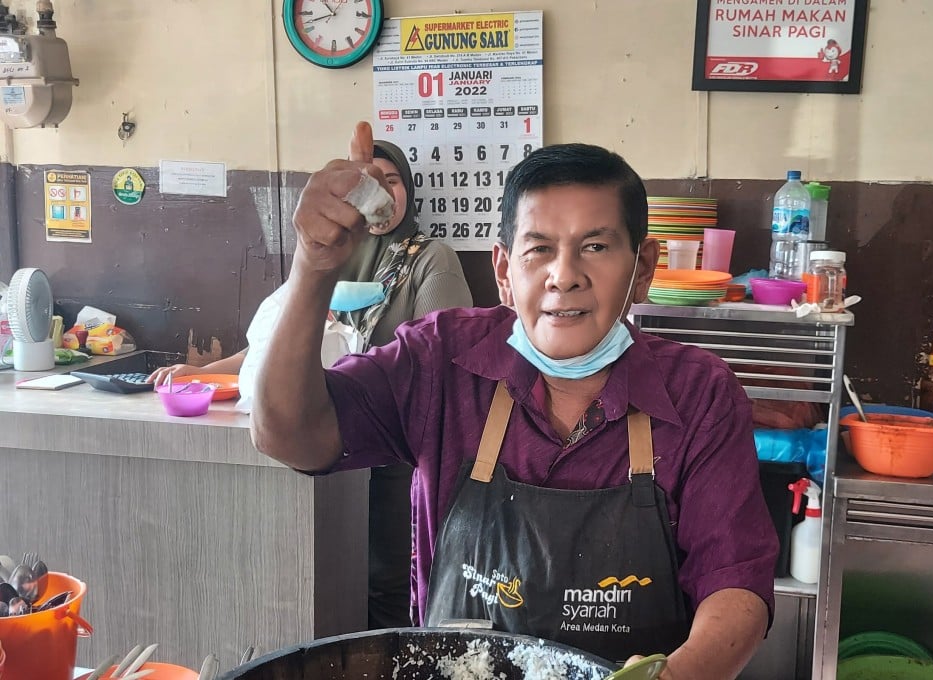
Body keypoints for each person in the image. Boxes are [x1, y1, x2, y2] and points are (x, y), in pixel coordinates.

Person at [252, 121, 778, 678]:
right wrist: (313, 267)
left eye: (595, 247)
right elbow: (290, 435)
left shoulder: (699, 393)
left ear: (642, 268)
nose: (564, 276)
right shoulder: (441, 360)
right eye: (540, 250)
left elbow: (736, 587)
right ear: (503, 271)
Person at [150, 137, 472, 630]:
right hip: (322, 446)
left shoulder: (430, 259)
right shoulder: (328, 251)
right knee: (326, 587)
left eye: (392, 182)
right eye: (369, 182)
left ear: (407, 191)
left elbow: (444, 363)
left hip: (393, 457)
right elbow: (278, 345)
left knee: (385, 581)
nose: (381, 192)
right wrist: (202, 373)